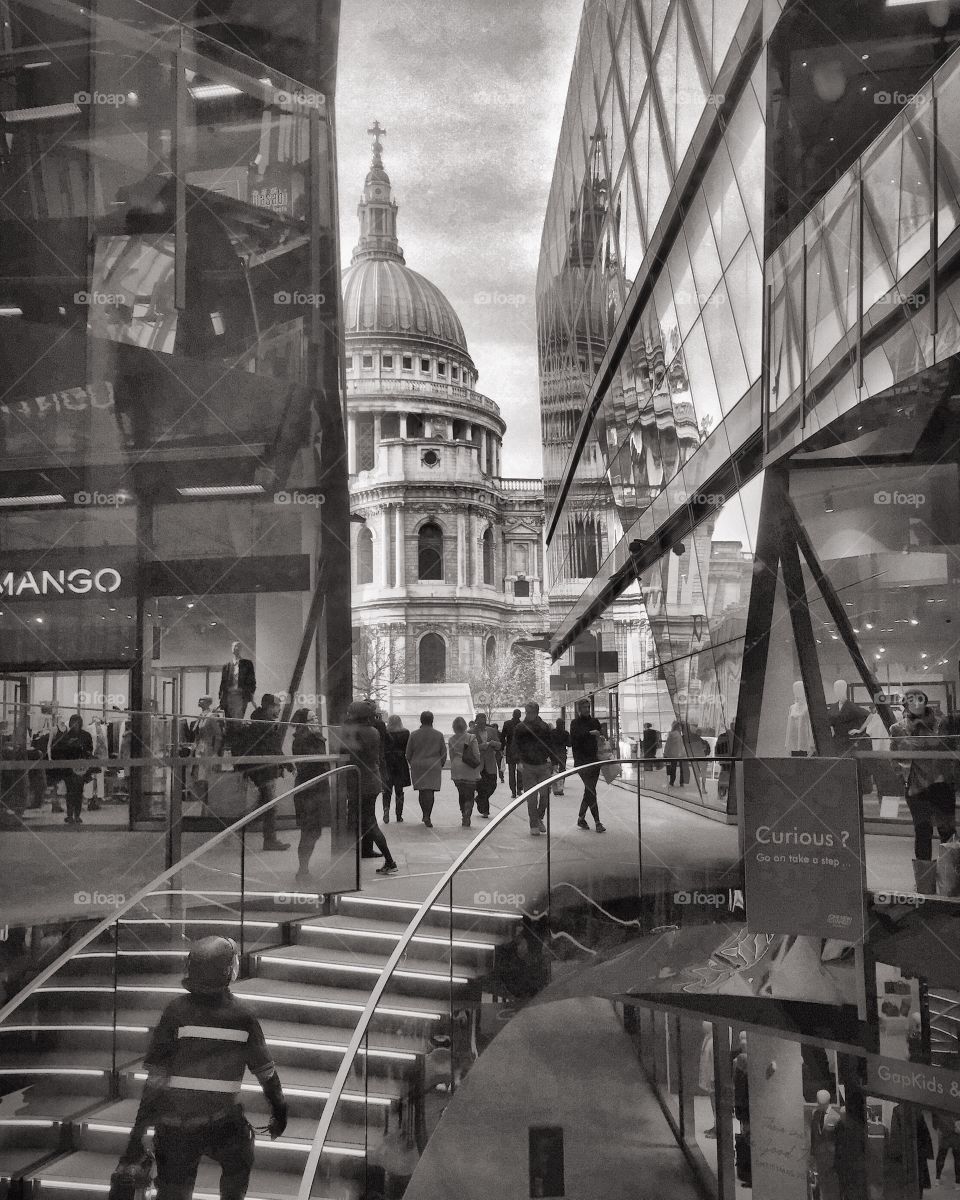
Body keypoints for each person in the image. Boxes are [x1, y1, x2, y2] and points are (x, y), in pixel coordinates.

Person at [117, 936, 288, 1200]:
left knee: (173, 1190)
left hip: (175, 1127)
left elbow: (156, 1081)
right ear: (227, 971)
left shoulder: (176, 1011)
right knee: (239, 1157)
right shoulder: (243, 1016)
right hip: (222, 1122)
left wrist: (136, 1137)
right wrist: (279, 1112)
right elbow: (266, 1073)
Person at [891, 687, 957, 893]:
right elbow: (895, 757)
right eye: (911, 699)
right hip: (916, 788)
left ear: (926, 701)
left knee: (947, 833)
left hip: (940, 785)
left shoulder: (941, 724)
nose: (917, 703)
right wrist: (904, 779)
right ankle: (924, 888)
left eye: (920, 699)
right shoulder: (898, 729)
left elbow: (951, 752)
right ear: (906, 703)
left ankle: (951, 886)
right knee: (923, 832)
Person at [332, 701, 397, 874]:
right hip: (372, 779)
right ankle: (356, 858)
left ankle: (389, 861)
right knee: (365, 820)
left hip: (359, 781)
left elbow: (342, 751)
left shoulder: (354, 732)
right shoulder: (373, 731)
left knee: (368, 822)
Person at [239, 695, 289, 852]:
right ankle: (267, 838)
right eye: (276, 706)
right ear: (268, 706)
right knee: (270, 805)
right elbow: (273, 748)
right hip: (264, 770)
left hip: (263, 770)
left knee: (265, 803)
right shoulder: (264, 725)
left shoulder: (261, 723)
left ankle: (243, 824)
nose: (279, 709)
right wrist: (287, 764)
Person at [291, 709, 330, 887]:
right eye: (312, 718)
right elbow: (312, 763)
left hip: (315, 788)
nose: (316, 719)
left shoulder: (311, 737)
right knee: (309, 830)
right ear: (305, 722)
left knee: (313, 830)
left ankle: (303, 868)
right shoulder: (304, 739)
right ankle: (303, 870)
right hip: (309, 790)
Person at [512, 702, 554, 836]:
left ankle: (538, 817)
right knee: (531, 797)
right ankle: (534, 824)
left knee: (545, 795)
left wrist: (552, 761)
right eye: (526, 712)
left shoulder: (544, 727)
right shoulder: (520, 727)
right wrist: (518, 761)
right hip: (528, 765)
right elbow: (516, 745)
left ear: (536, 712)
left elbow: (549, 744)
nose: (528, 715)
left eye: (530, 712)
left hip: (542, 764)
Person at [405, 711, 446, 828]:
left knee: (422, 791)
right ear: (432, 720)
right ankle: (428, 815)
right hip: (433, 765)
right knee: (431, 791)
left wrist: (412, 763)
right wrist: (440, 764)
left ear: (421, 720)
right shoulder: (438, 735)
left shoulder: (414, 734)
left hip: (418, 765)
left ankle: (424, 813)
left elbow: (408, 753)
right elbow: (443, 752)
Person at [570, 699, 606, 832]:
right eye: (584, 707)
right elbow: (574, 739)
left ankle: (581, 818)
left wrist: (600, 737)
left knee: (589, 790)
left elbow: (600, 738)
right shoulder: (575, 723)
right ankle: (597, 822)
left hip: (594, 760)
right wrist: (590, 733)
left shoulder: (594, 722)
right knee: (591, 790)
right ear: (579, 709)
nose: (587, 709)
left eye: (588, 707)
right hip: (582, 762)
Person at [51, 714, 93, 825]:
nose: (75, 725)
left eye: (77, 723)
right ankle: (70, 815)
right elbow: (59, 751)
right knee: (70, 792)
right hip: (69, 769)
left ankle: (76, 815)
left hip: (81, 768)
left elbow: (89, 751)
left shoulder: (85, 736)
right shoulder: (66, 737)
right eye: (73, 723)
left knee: (78, 792)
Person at [449, 717, 481, 828]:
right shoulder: (471, 738)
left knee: (461, 793)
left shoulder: (451, 739)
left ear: (454, 727)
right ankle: (467, 814)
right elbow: (476, 754)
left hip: (457, 768)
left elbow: (452, 756)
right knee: (470, 794)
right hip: (470, 768)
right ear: (465, 726)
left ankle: (463, 813)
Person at [191, 698, 223, 808]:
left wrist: (214, 751)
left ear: (207, 702)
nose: (199, 701)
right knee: (197, 777)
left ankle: (205, 805)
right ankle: (199, 805)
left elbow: (218, 735)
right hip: (199, 748)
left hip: (207, 749)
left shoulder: (210, 717)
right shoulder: (202, 715)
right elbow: (197, 734)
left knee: (204, 778)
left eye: (202, 700)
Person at [382, 715, 411, 823]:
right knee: (399, 791)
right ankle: (399, 815)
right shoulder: (405, 733)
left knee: (386, 790)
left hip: (388, 763)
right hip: (400, 762)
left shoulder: (385, 733)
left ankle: (386, 810)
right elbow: (407, 749)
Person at [219, 641, 256, 720]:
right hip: (229, 696)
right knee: (228, 721)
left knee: (238, 721)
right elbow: (223, 683)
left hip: (240, 696)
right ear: (231, 649)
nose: (236, 648)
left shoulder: (247, 664)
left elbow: (252, 681)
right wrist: (221, 698)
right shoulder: (227, 666)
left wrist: (250, 694)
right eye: (234, 646)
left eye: (238, 646)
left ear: (241, 649)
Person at [473, 712, 500, 817]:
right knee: (481, 788)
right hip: (478, 765)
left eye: (483, 722)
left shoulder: (492, 731)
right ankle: (485, 811)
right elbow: (468, 748)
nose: (481, 724)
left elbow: (499, 745)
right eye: (479, 723)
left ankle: (479, 799)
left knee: (492, 785)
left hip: (490, 763)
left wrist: (494, 744)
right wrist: (481, 746)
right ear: (476, 722)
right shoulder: (471, 733)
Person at [501, 708, 523, 797]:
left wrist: (503, 747)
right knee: (520, 770)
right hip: (520, 750)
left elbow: (502, 737)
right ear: (520, 715)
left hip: (510, 750)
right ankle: (519, 789)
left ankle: (513, 791)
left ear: (512, 715)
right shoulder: (522, 725)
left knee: (511, 771)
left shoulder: (507, 724)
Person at [935, 1110, 960, 1185]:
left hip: (944, 1135)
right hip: (956, 1136)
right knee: (958, 1158)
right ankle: (958, 1182)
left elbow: (935, 1123)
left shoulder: (939, 1103)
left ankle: (937, 1178)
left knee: (941, 1156)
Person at [663, 720, 690, 787]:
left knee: (673, 768)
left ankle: (672, 782)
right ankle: (681, 782)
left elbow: (668, 745)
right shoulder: (683, 735)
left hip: (673, 754)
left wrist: (665, 753)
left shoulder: (672, 734)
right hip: (682, 754)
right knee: (682, 769)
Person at [548, 718, 570, 795]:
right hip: (562, 753)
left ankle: (555, 788)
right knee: (562, 771)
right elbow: (569, 744)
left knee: (554, 771)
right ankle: (560, 788)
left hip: (554, 753)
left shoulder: (552, 732)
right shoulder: (566, 733)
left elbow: (549, 743)